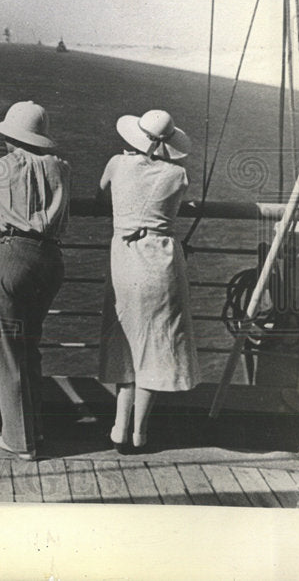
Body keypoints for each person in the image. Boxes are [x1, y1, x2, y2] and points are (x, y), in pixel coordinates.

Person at [97, 109, 202, 454]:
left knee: (126, 342)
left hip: (125, 263)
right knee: (156, 346)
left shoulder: (116, 163)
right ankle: (140, 435)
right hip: (162, 265)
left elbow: (102, 196)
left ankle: (117, 429)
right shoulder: (177, 174)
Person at [0, 101, 70, 460]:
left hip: (14, 256)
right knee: (30, 345)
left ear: (12, 138)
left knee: (7, 347)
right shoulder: (62, 168)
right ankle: (35, 427)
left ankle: (18, 439)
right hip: (51, 260)